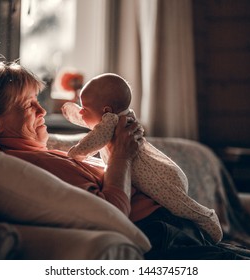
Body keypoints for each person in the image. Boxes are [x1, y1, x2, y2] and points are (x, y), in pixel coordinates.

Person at [0, 61, 250, 259]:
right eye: (29, 105)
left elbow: (82, 144)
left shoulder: (40, 151)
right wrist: (121, 155)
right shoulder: (30, 165)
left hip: (172, 230)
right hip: (160, 237)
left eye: (39, 102)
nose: (43, 111)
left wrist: (118, 137)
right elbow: (112, 212)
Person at [61, 73, 223, 244]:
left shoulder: (110, 122)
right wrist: (78, 110)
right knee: (178, 206)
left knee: (181, 207)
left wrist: (75, 154)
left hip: (160, 179)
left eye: (84, 109)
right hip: (165, 171)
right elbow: (90, 121)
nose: (80, 113)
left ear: (106, 111)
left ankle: (209, 221)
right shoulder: (120, 117)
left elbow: (90, 143)